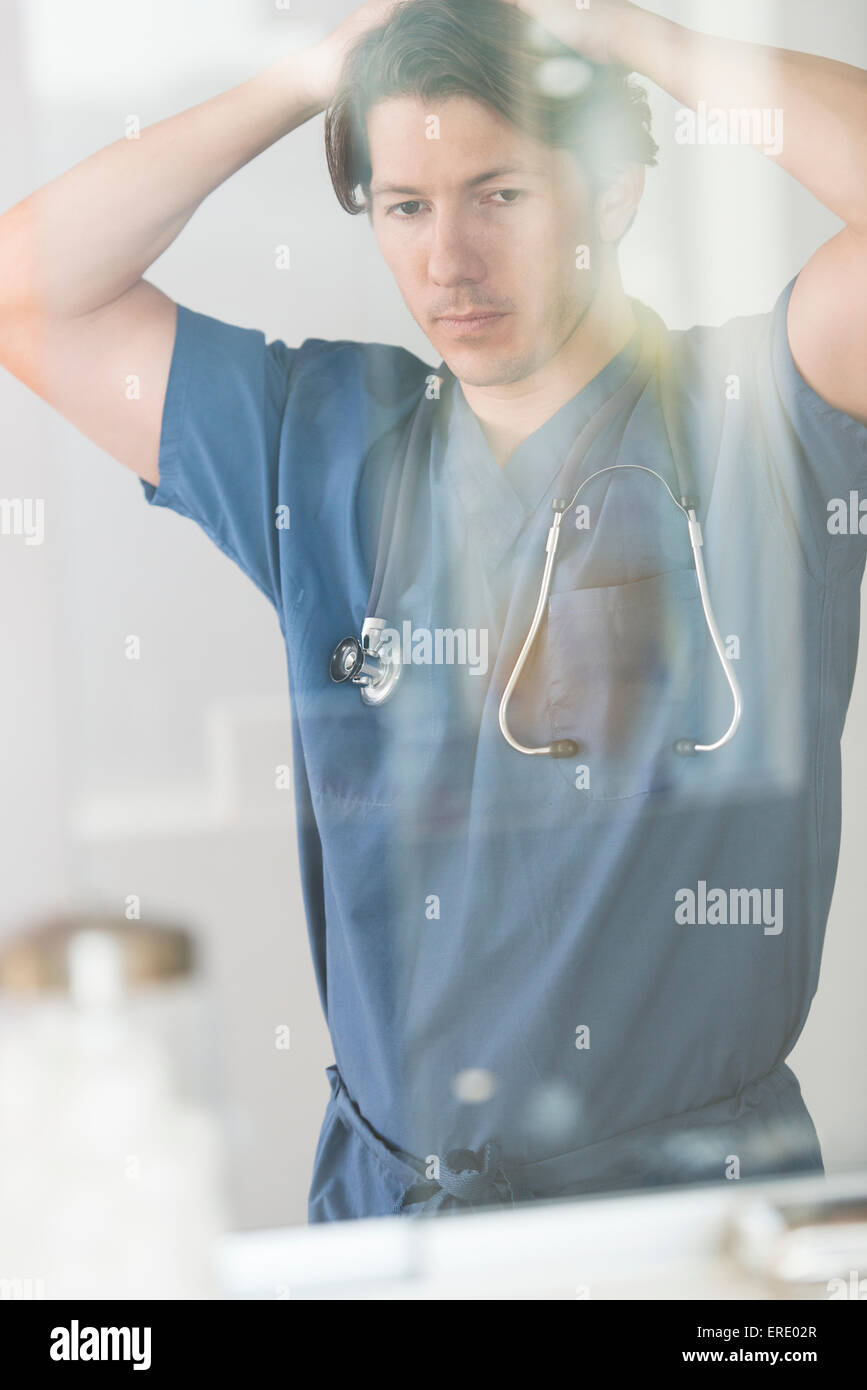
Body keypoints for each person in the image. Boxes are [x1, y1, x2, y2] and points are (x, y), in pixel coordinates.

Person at [2, 0, 867, 1222]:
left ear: (612, 193)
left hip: (685, 1226)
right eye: (406, 205)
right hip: (395, 1229)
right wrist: (313, 77)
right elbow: (31, 287)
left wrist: (629, 37)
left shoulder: (759, 424)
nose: (448, 260)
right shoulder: (322, 447)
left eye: (500, 194)